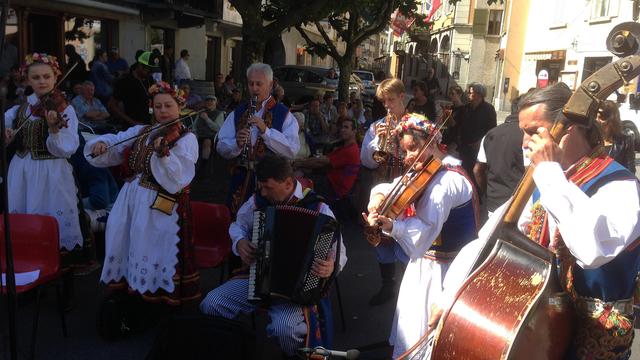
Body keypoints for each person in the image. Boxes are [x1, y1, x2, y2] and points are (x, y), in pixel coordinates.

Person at [433, 83, 640, 359]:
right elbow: (490, 238)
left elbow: (592, 250)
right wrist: (451, 296)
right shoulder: (548, 179)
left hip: (594, 342)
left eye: (532, 132)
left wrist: (549, 172)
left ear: (567, 128)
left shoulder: (620, 185)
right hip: (542, 333)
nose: (523, 143)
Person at [199, 154, 347, 357]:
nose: (262, 192)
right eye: (261, 186)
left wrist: (330, 266)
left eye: (268, 187)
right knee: (211, 303)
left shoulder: (319, 207)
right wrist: (240, 242)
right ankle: (236, 347)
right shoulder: (258, 201)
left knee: (283, 328)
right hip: (257, 280)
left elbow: (340, 251)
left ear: (287, 183)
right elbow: (237, 226)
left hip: (297, 291)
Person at [363, 113, 477, 358]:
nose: (408, 157)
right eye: (404, 152)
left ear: (433, 141)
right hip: (425, 266)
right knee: (411, 334)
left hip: (444, 273)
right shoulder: (427, 170)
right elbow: (391, 186)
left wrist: (394, 227)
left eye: (413, 148)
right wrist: (378, 198)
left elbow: (423, 236)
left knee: (426, 339)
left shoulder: (445, 182)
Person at [86, 81, 200, 308]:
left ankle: (159, 302)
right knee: (131, 244)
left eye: (168, 106)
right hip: (132, 200)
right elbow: (117, 141)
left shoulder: (187, 138)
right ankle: (134, 299)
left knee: (155, 248)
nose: (163, 111)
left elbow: (179, 177)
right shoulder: (142, 131)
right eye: (158, 107)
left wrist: (165, 155)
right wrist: (100, 144)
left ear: (180, 107)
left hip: (162, 204)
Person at [4, 53, 83, 253]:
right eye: (36, 77)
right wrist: (7, 135)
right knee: (23, 219)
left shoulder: (64, 109)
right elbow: (6, 130)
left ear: (56, 77)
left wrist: (54, 130)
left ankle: (55, 262)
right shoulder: (19, 109)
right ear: (28, 80)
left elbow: (68, 148)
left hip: (51, 171)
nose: (42, 81)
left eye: (47, 77)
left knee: (51, 219)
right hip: (21, 171)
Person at [216, 63, 300, 213]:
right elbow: (221, 146)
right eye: (251, 84)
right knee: (237, 221)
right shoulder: (238, 112)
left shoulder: (284, 114)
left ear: (270, 85)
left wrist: (266, 131)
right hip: (241, 180)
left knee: (267, 225)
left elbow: (292, 150)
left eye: (259, 84)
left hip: (271, 182)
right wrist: (237, 143)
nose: (254, 88)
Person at [360, 78, 408, 306]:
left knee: (408, 237)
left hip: (409, 191)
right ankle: (388, 285)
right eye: (384, 101)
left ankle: (410, 285)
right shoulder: (376, 126)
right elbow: (367, 162)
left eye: (391, 99)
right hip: (383, 191)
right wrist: (377, 142)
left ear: (402, 96)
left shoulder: (416, 124)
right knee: (381, 237)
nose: (387, 105)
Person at [473, 95, 525, 217]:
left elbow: (477, 170)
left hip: (493, 203)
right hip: (517, 206)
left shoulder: (490, 134)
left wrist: (486, 193)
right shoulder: (527, 135)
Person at [294, 118, 361, 204]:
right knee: (302, 172)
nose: (342, 130)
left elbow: (321, 162)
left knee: (298, 181)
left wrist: (298, 163)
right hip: (330, 182)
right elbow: (323, 160)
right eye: (342, 127)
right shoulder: (346, 147)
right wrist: (302, 164)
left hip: (333, 188)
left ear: (354, 131)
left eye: (346, 127)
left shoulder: (350, 150)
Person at [454, 83, 497, 184]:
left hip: (478, 149)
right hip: (464, 147)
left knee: (475, 175)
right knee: (463, 175)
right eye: (468, 92)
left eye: (471, 93)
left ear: (479, 95)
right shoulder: (466, 108)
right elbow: (459, 126)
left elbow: (492, 130)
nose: (468, 95)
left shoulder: (488, 109)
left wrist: (480, 142)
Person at [109, 51, 157, 127]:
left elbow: (150, 100)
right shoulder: (125, 82)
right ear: (140, 66)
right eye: (149, 70)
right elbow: (112, 105)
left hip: (148, 126)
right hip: (132, 128)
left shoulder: (149, 79)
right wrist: (132, 122)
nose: (150, 73)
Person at [596, 100, 636, 174]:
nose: (597, 120)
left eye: (602, 117)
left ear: (612, 119)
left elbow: (630, 170)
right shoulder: (590, 139)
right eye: (596, 116)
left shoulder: (625, 141)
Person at [195, 95, 224, 170]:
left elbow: (218, 128)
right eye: (207, 101)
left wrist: (207, 119)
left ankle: (202, 167)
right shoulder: (201, 112)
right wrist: (193, 133)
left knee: (207, 142)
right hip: (198, 135)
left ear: (216, 102)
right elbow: (194, 126)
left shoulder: (219, 113)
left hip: (210, 136)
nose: (209, 102)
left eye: (212, 100)